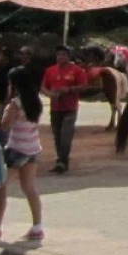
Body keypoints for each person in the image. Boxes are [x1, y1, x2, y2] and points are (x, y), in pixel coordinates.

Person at [0, 66, 44, 241]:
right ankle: (37, 227)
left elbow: (5, 126)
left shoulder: (15, 103)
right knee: (29, 188)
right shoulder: (36, 101)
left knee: (1, 187)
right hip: (33, 147)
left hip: (16, 149)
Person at [40, 45, 87, 174]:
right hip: (55, 107)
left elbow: (84, 86)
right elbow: (43, 87)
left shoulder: (77, 70)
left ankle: (62, 161)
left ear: (69, 56)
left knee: (66, 135)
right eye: (58, 54)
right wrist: (50, 94)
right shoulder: (50, 71)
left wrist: (69, 89)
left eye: (63, 54)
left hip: (70, 108)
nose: (60, 57)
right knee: (57, 136)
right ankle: (61, 159)